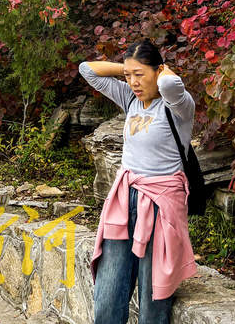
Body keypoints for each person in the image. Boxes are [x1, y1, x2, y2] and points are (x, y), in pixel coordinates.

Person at [80, 39, 197, 324]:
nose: (133, 82)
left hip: (160, 205)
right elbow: (87, 70)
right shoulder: (130, 98)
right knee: (107, 294)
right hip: (125, 198)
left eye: (140, 75)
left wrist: (161, 70)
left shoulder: (179, 107)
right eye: (128, 76)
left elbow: (170, 86)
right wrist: (129, 67)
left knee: (153, 299)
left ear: (158, 71)